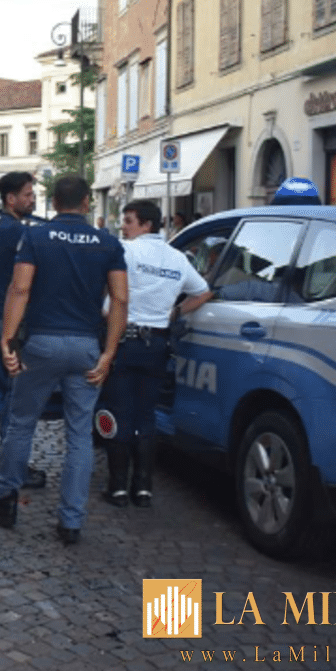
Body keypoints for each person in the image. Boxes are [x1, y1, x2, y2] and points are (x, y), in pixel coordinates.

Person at [0, 174, 128, 546]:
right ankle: (70, 522)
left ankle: (5, 502)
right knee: (80, 434)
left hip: (42, 344)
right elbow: (121, 300)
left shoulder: (35, 236)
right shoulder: (108, 243)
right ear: (86, 203)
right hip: (85, 348)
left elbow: (20, 288)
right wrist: (109, 352)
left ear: (55, 201)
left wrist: (7, 340)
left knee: (21, 422)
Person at [101, 199, 211, 509]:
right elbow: (204, 291)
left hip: (125, 341)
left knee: (119, 412)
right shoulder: (177, 258)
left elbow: (110, 300)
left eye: (128, 220)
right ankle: (144, 488)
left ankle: (118, 487)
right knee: (146, 414)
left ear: (146, 225)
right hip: (158, 345)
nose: (123, 225)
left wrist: (104, 314)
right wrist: (174, 313)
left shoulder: (125, 251)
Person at [0, 171, 46, 490]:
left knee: (15, 392)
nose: (32, 199)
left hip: (8, 317)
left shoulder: (2, 228)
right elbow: (22, 283)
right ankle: (14, 468)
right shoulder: (14, 232)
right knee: (18, 395)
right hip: (17, 321)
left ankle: (12, 462)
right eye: (27, 194)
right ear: (11, 199)